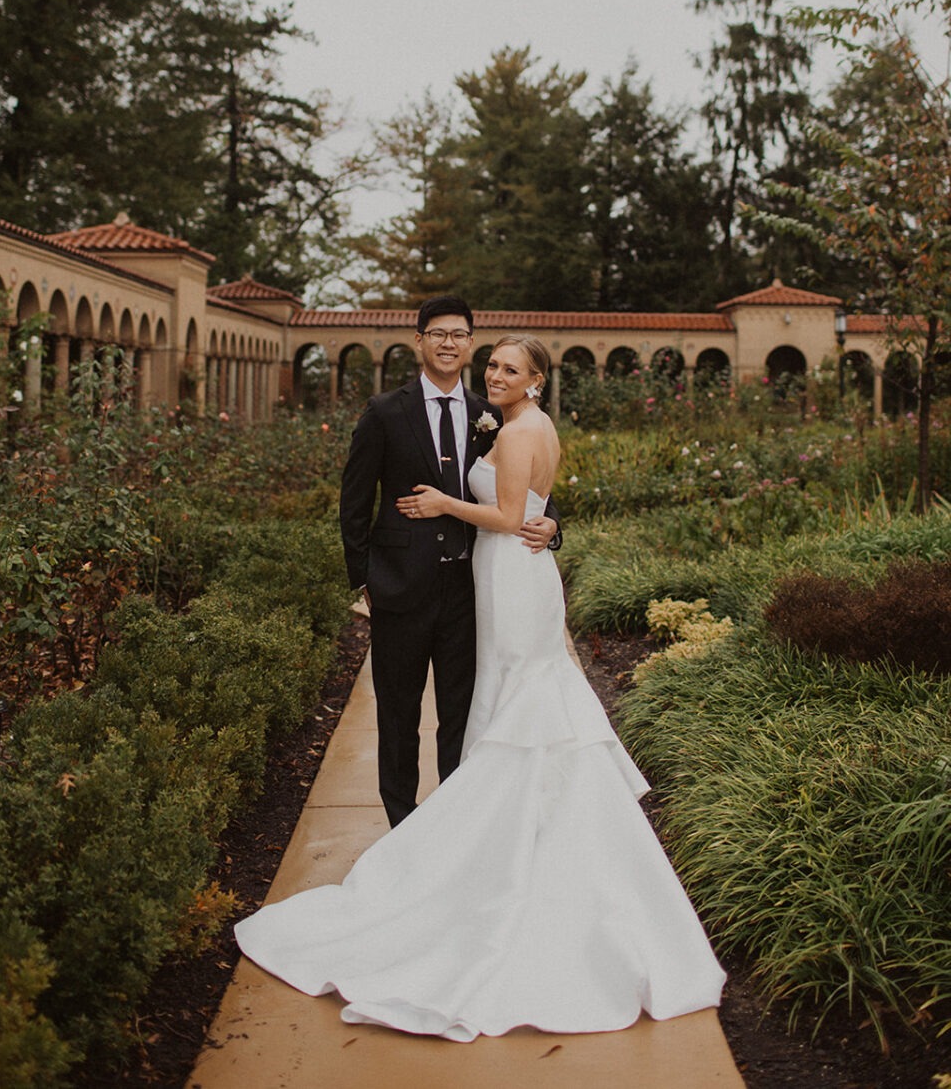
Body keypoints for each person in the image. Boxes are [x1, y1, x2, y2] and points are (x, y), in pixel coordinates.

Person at [235, 334, 726, 1040]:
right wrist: (537, 521)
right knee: (501, 704)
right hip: (497, 578)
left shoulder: (522, 427)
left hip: (510, 576)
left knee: (518, 707)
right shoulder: (509, 420)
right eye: (490, 363)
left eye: (509, 368)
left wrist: (444, 503)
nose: (493, 374)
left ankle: (507, 854)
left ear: (534, 381)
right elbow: (529, 508)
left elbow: (507, 515)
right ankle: (501, 841)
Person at [336, 296, 559, 826]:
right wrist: (363, 579)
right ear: (419, 341)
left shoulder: (492, 412)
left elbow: (527, 492)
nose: (448, 343)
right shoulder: (385, 411)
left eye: (459, 334)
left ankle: (453, 826)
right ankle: (402, 827)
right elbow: (354, 500)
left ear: (470, 342)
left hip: (470, 590)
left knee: (462, 716)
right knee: (398, 715)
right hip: (400, 587)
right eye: (437, 333)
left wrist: (552, 527)